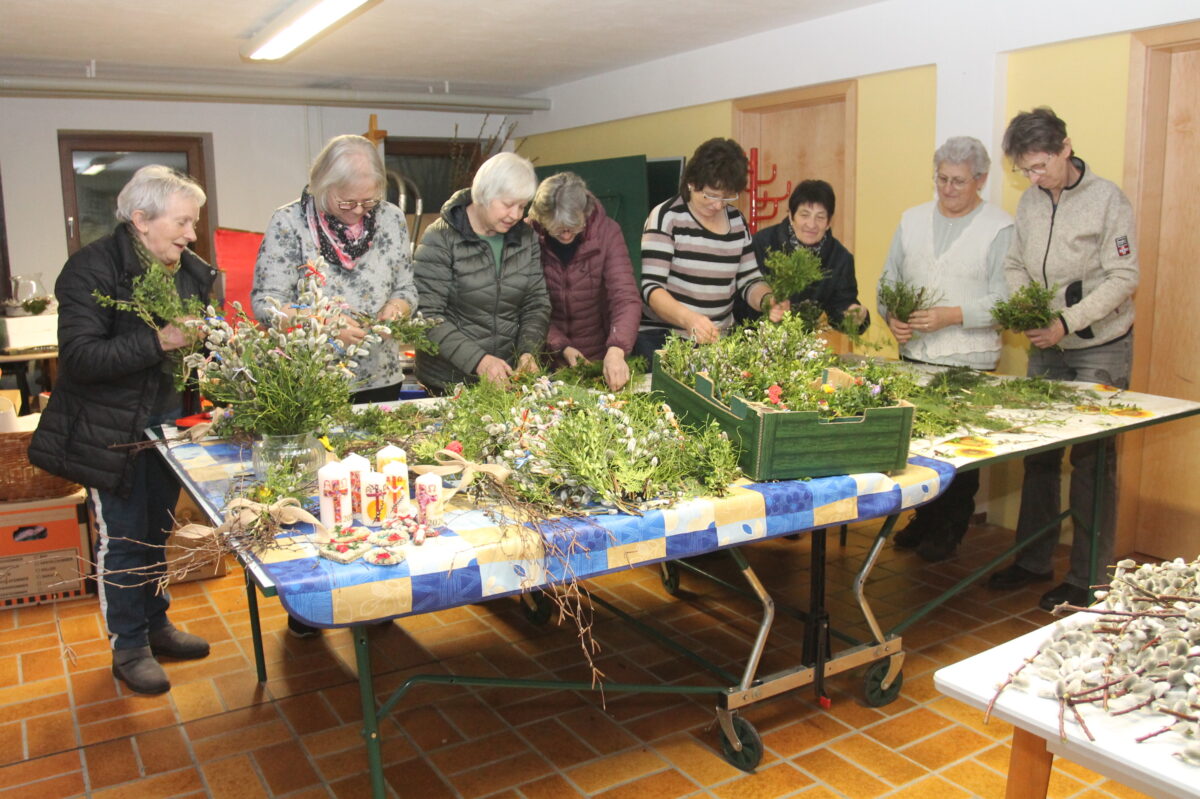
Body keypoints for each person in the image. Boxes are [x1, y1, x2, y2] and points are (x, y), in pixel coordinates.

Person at [29, 166, 215, 695]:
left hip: (170, 428)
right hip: (110, 431)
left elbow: (195, 342)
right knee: (124, 539)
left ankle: (156, 625)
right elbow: (82, 358)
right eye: (182, 222)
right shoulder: (91, 269)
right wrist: (162, 341)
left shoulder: (187, 270)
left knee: (157, 531)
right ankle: (128, 646)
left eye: (193, 222)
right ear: (141, 220)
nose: (191, 234)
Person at [987, 108, 1138, 611]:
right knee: (1039, 456)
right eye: (1024, 170)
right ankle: (1032, 561)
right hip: (1046, 346)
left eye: (1040, 167)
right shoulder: (1029, 204)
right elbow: (1014, 264)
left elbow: (1123, 277)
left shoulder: (1107, 200)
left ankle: (1090, 577)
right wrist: (1029, 308)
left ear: (1066, 148)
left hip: (1099, 346)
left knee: (1093, 461)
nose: (1033, 178)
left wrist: (1067, 321)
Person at [877, 136, 1014, 562]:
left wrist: (953, 314)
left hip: (968, 360)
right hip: (915, 356)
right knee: (919, 449)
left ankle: (949, 528)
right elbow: (887, 282)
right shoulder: (911, 220)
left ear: (981, 180)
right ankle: (925, 519)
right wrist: (891, 316)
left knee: (959, 453)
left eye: (958, 181)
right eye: (942, 180)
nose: (949, 189)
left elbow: (1006, 301)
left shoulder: (999, 227)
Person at [252, 134, 418, 405]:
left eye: (369, 201)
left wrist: (397, 309)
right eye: (347, 202)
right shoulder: (289, 223)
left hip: (380, 377)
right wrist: (323, 326)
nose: (358, 211)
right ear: (322, 185)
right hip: (311, 381)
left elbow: (406, 288)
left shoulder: (391, 218)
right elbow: (266, 305)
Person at [635, 138, 785, 362]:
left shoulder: (736, 221)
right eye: (711, 195)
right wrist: (689, 320)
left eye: (726, 197)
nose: (718, 205)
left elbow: (750, 280)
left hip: (717, 342)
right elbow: (652, 289)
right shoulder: (666, 217)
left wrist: (768, 300)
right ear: (692, 182)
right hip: (664, 340)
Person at [413, 151, 550, 394]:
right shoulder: (441, 238)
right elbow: (426, 316)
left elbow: (536, 303)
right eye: (508, 205)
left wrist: (528, 352)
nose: (516, 215)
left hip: (506, 381)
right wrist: (479, 361)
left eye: (522, 206)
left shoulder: (525, 237)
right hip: (447, 383)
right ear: (483, 195)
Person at [528, 172, 640, 391]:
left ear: (585, 212)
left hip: (599, 357)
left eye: (574, 227)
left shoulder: (607, 232)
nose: (567, 236)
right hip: (545, 360)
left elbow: (625, 298)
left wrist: (617, 349)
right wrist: (561, 346)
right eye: (558, 229)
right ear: (542, 219)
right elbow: (528, 305)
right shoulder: (527, 236)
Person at [740, 179, 869, 333]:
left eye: (820, 217)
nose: (811, 224)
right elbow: (743, 292)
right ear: (791, 216)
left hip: (800, 343)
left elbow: (840, 307)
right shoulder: (762, 243)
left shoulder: (840, 258)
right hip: (752, 337)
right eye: (804, 215)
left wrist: (854, 315)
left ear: (829, 222)